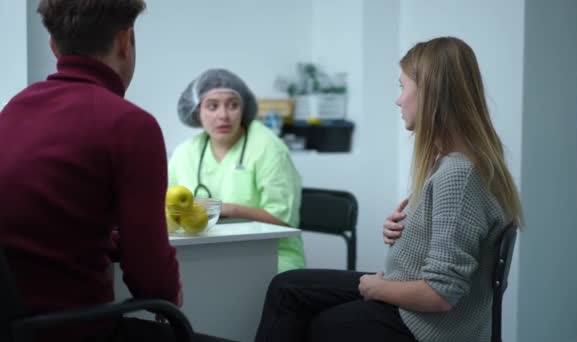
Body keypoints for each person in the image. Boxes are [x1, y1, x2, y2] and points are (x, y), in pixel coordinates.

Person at [254, 36, 523, 342]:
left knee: (323, 324)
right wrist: (405, 231)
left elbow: (441, 294)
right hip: (409, 296)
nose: (398, 100)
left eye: (402, 87)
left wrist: (377, 287)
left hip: (427, 326)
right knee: (287, 287)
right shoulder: (454, 161)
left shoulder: (458, 173)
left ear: (431, 94)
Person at [0, 1, 230, 341]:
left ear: (53, 46)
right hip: (80, 329)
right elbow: (151, 279)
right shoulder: (131, 125)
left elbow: (42, 223)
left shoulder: (13, 111)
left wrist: (109, 242)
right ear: (126, 41)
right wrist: (168, 292)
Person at [170, 69, 305, 273]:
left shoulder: (268, 147)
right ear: (197, 111)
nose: (223, 115)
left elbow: (284, 221)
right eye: (212, 106)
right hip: (205, 252)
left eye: (233, 105)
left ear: (244, 110)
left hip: (271, 254)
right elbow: (168, 210)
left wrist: (226, 209)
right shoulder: (185, 153)